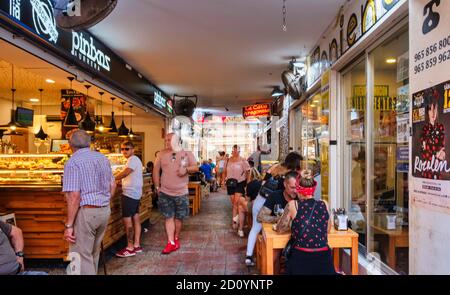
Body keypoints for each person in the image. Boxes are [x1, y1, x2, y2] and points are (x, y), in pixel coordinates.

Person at [63, 130, 116, 275]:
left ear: (70, 144)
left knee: (81, 256)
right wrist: (103, 202)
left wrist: (69, 225)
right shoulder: (102, 158)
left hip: (87, 212)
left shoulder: (72, 162)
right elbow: (113, 184)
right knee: (93, 252)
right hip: (104, 211)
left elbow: (74, 196)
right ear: (89, 143)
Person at [245, 152, 303, 266]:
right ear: (296, 164)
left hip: (260, 199)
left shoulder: (277, 167)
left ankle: (249, 256)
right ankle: (265, 257)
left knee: (256, 228)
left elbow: (263, 182)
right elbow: (286, 197)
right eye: (300, 165)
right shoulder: (287, 178)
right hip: (267, 203)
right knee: (261, 228)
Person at [274, 170, 335, 275]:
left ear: (298, 190)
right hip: (324, 261)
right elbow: (327, 229)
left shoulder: (293, 205)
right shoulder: (324, 204)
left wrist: (292, 226)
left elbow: (279, 229)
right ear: (313, 189)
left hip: (301, 259)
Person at [153, 133, 198, 254]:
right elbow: (156, 170)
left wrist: (186, 169)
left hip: (181, 192)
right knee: (169, 217)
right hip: (165, 192)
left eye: (169, 139)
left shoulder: (186, 153)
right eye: (166, 140)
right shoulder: (161, 154)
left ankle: (176, 237)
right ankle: (170, 242)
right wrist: (157, 186)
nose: (167, 142)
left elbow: (195, 167)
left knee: (179, 218)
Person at [114, 141, 144, 258]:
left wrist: (111, 178)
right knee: (136, 218)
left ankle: (130, 247)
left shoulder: (133, 159)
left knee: (128, 221)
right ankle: (136, 245)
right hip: (135, 193)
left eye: (127, 149)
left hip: (130, 195)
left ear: (133, 149)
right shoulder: (133, 160)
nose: (124, 151)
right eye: (122, 149)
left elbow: (125, 173)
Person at [223, 145, 250, 237]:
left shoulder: (243, 160)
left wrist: (248, 182)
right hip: (230, 183)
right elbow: (224, 171)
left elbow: (248, 171)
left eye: (236, 151)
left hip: (240, 182)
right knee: (233, 203)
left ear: (239, 151)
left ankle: (235, 222)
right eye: (233, 150)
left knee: (236, 202)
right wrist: (223, 181)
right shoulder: (228, 160)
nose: (234, 152)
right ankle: (236, 220)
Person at [420, 88, 446, 179]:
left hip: (437, 168)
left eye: (435, 110)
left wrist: (439, 152)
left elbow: (442, 145)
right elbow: (424, 149)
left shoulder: (440, 126)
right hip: (427, 168)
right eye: (431, 110)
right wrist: (436, 152)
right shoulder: (425, 129)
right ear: (427, 111)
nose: (433, 113)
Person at [236, 160, 262, 238]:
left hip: (256, 206)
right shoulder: (261, 182)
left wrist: (246, 189)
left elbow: (247, 199)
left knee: (240, 203)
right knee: (241, 205)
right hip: (263, 205)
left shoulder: (250, 184)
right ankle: (241, 222)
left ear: (249, 175)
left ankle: (240, 229)